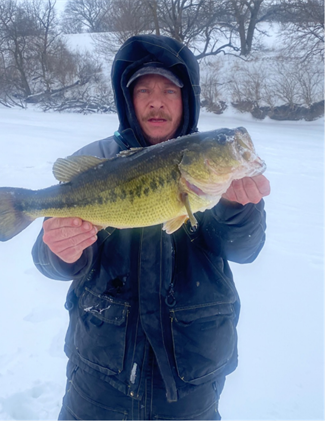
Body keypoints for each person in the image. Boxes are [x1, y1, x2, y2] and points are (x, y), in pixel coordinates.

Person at [32, 34, 270, 420]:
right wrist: (58, 252)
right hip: (98, 377)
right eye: (143, 90)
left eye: (169, 91)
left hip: (190, 380)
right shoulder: (94, 162)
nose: (156, 101)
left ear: (186, 99)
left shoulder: (210, 169)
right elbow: (45, 258)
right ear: (128, 99)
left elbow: (245, 249)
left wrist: (238, 211)